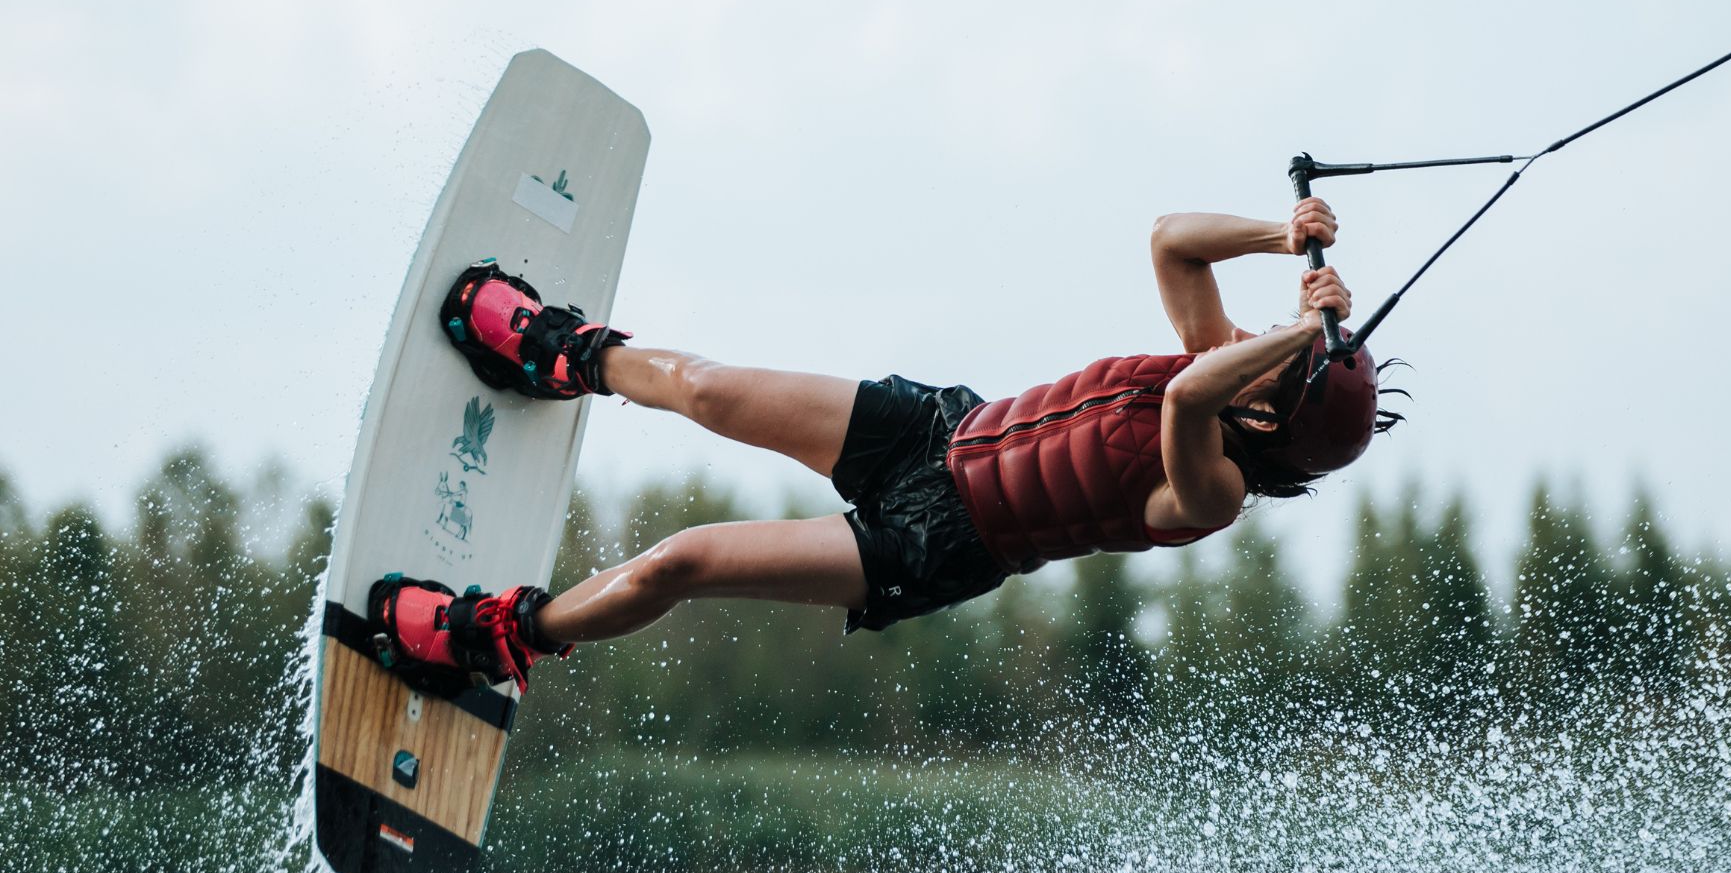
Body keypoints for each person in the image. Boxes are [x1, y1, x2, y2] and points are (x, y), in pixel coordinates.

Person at [371, 197, 1388, 696]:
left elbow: (1183, 407)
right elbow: (1170, 238)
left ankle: (499, 635)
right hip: (942, 427)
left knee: (684, 560)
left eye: (1274, 358)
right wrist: (1281, 236)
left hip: (932, 542)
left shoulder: (1209, 487)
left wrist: (1306, 333)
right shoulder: (1217, 359)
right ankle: (562, 354)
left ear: (1267, 420)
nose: (1250, 336)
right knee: (709, 388)